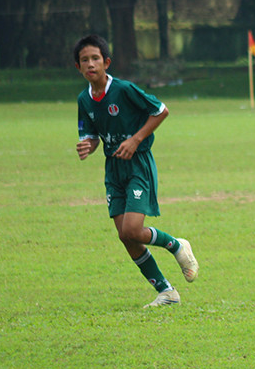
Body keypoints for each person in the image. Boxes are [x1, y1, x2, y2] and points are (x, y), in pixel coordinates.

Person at [73, 34, 198, 307]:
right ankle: (166, 291)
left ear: (106, 62)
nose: (90, 63)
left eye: (95, 58)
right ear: (78, 67)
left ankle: (176, 245)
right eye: (85, 60)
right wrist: (89, 146)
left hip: (138, 162)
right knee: (125, 236)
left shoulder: (124, 89)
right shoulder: (84, 99)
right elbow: (93, 134)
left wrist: (135, 139)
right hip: (113, 168)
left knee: (133, 228)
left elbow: (161, 110)